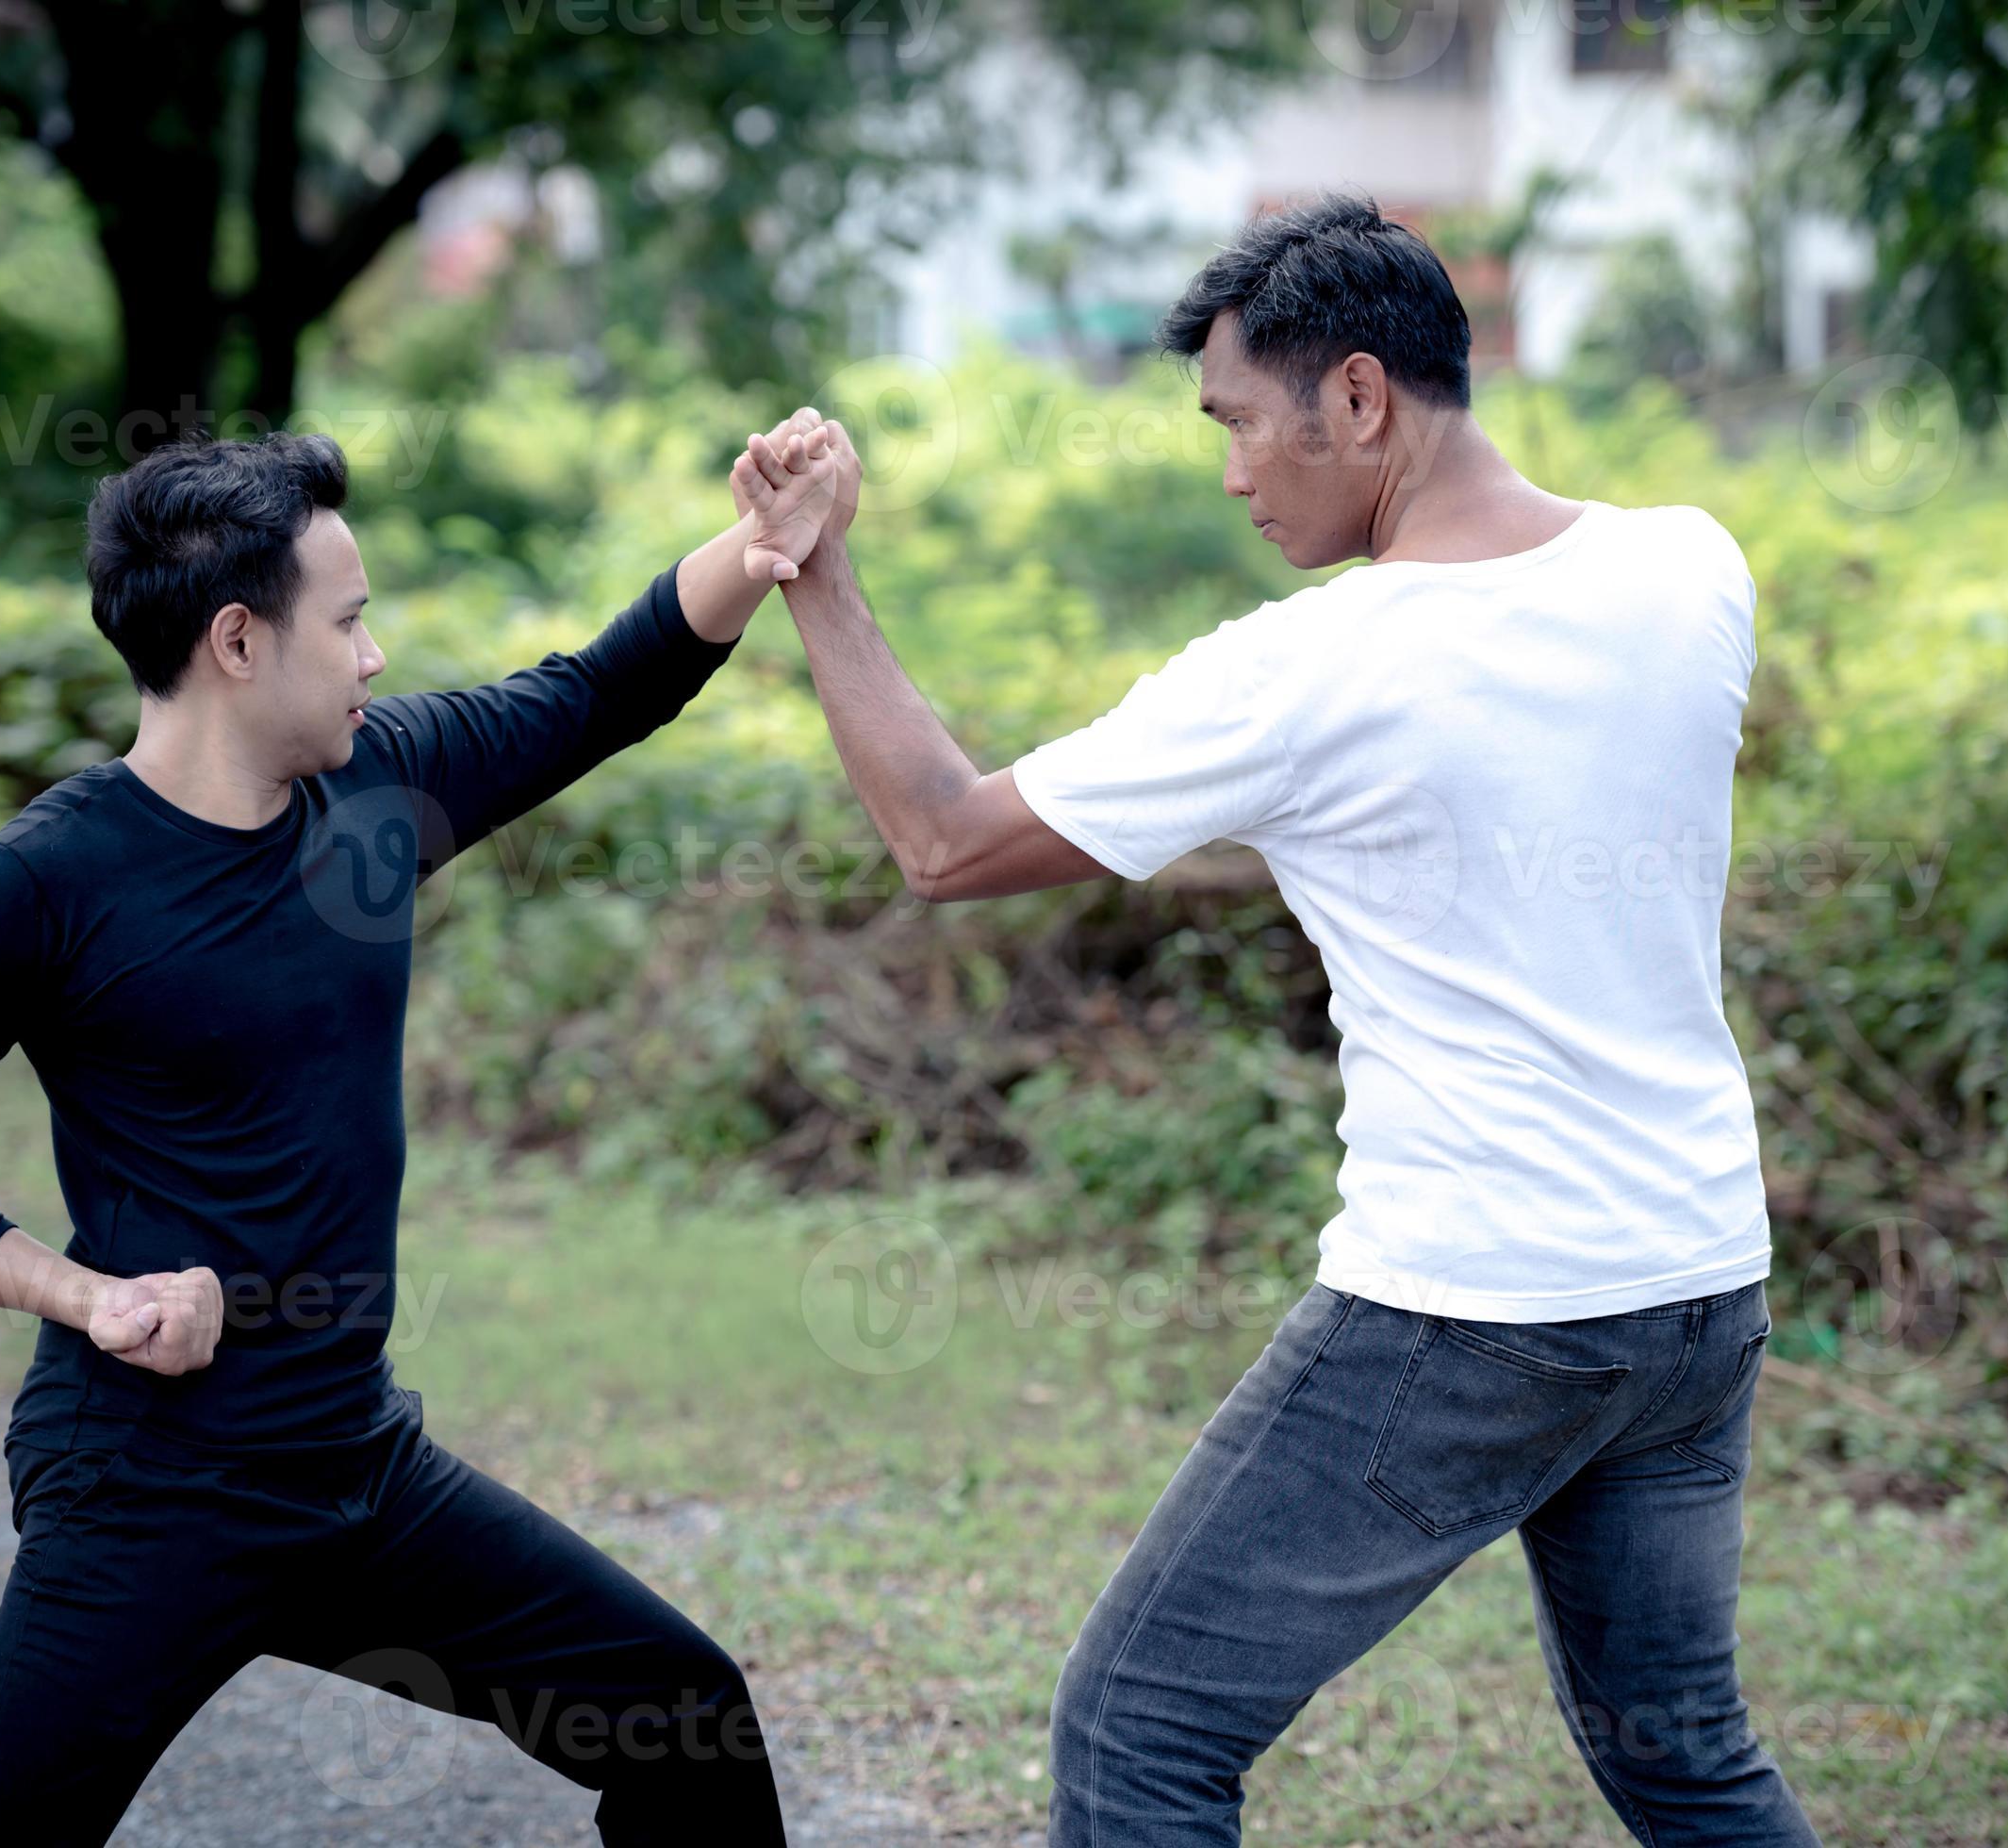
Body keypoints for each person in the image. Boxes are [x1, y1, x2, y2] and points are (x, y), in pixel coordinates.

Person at [729, 193, 1823, 1845]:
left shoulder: (1310, 671)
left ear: (1362, 401)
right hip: (1694, 1283)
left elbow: (943, 837)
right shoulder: (1692, 566)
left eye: (1242, 424)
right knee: (1684, 1755)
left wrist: (817, 572)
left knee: (1141, 1730)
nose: (1233, 474)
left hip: (1477, 1308)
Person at [0, 425, 835, 1845]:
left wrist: (762, 545)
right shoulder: (39, 885)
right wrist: (84, 1294)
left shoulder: (375, 797)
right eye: (347, 623)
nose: (376, 656)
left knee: (684, 1721)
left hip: (354, 1469)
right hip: (147, 1486)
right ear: (236, 641)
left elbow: (598, 689)